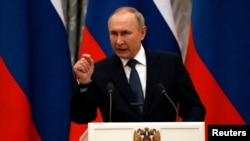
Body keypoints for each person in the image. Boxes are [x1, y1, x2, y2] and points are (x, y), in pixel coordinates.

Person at [70, 6, 205, 123]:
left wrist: (183, 133)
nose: (118, 41)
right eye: (113, 33)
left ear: (142, 33)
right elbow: (81, 117)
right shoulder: (99, 71)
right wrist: (84, 84)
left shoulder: (169, 64)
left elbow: (194, 107)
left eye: (125, 33)